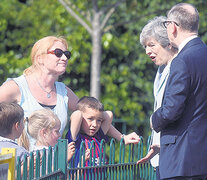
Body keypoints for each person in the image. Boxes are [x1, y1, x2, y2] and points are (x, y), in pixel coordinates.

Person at [0, 36, 140, 150]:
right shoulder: (16, 87)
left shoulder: (63, 92)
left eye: (67, 54)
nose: (65, 58)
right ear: (39, 58)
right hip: (23, 166)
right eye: (58, 53)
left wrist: (122, 137)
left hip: (55, 168)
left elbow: (94, 115)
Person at [151, 3, 207, 179]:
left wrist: (154, 120)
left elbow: (171, 110)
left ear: (173, 27)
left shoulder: (182, 61)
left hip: (181, 161)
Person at [137, 16, 178, 180]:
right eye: (145, 46)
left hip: (175, 158)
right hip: (161, 156)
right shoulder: (160, 71)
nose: (147, 51)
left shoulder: (179, 68)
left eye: (152, 45)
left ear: (168, 43)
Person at [66, 96, 113, 168]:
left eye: (99, 120)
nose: (95, 125)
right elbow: (77, 114)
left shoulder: (98, 136)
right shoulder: (76, 138)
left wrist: (96, 114)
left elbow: (109, 114)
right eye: (90, 119)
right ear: (81, 119)